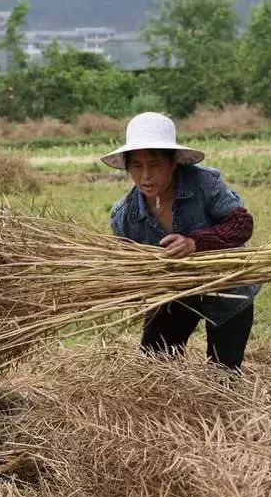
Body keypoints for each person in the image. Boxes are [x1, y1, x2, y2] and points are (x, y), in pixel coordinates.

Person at [103, 112, 258, 371]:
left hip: (227, 289)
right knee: (155, 366)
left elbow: (242, 226)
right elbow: (129, 266)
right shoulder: (125, 216)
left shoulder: (205, 184)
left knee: (223, 375)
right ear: (128, 168)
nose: (146, 176)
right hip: (175, 294)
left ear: (173, 163)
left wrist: (195, 243)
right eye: (137, 167)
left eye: (154, 165)